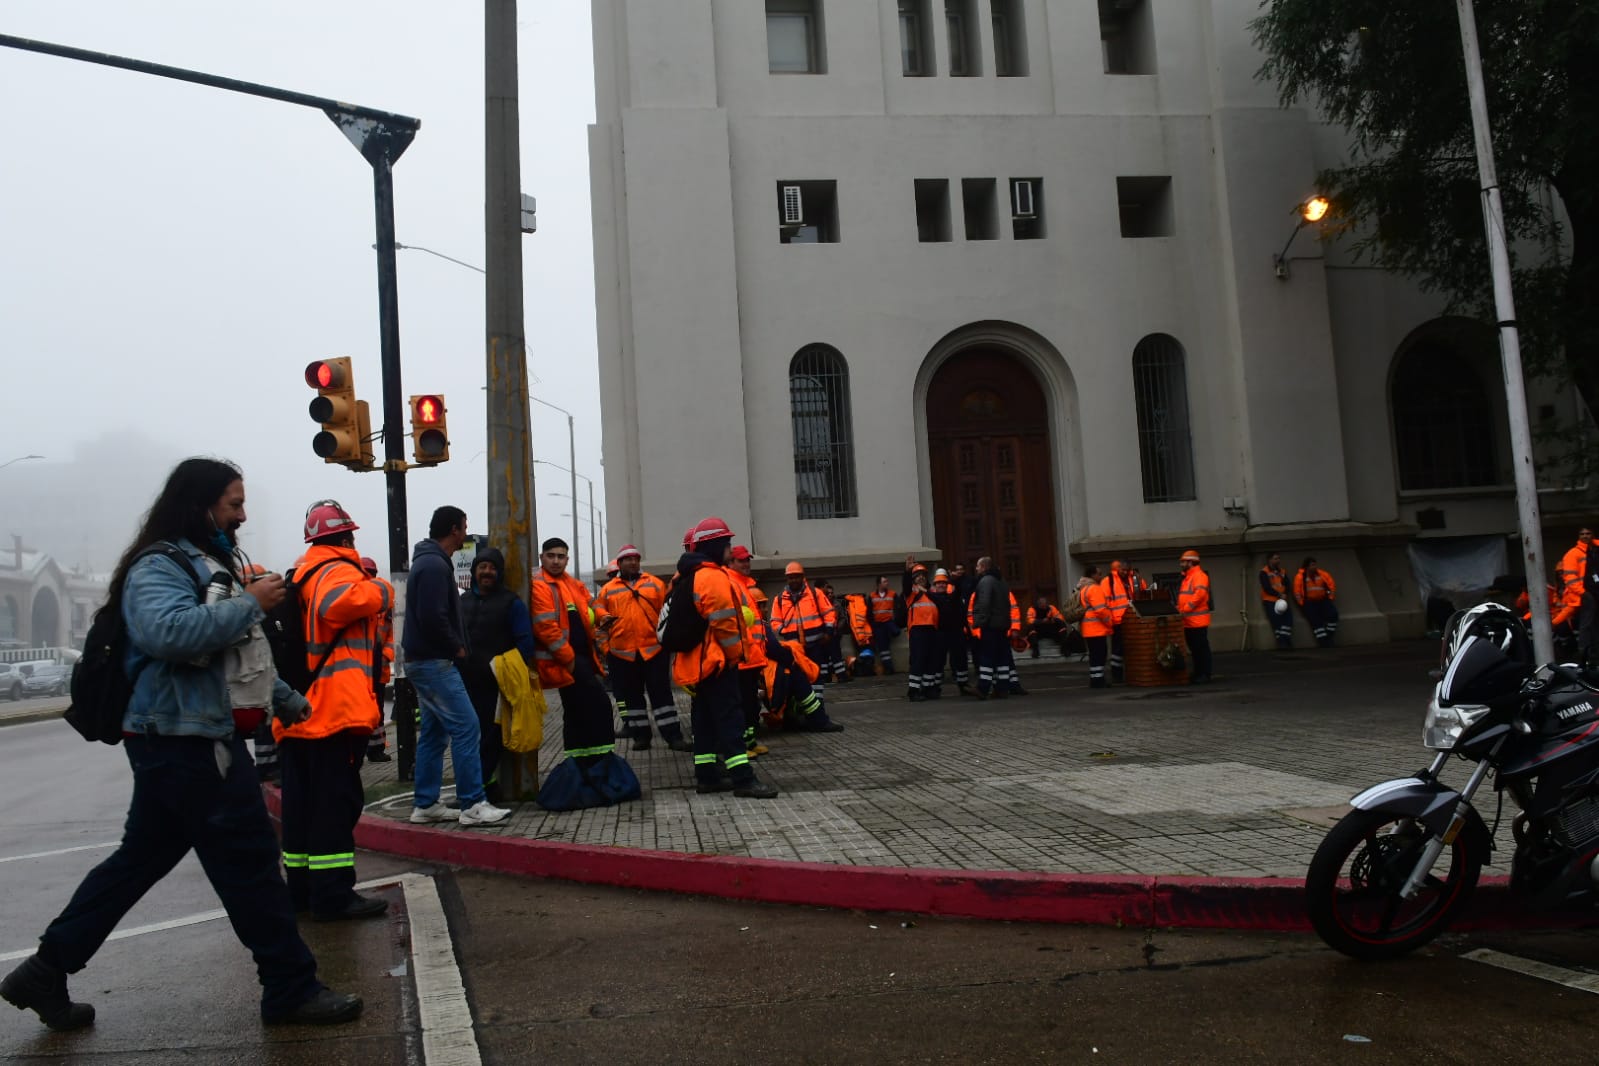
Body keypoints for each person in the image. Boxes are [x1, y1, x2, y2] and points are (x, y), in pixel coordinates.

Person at [0, 459, 362, 1030]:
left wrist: (288, 698)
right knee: (249, 863)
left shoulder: (208, 564)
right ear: (200, 506)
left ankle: (45, 971)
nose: (242, 516)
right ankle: (290, 987)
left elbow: (236, 657)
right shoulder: (159, 565)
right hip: (186, 743)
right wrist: (250, 602)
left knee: (136, 863)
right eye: (233, 504)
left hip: (188, 739)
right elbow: (166, 633)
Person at [277, 500, 390, 922]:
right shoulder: (338, 568)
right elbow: (338, 605)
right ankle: (333, 893)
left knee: (302, 808)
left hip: (301, 714)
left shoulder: (302, 573)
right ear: (345, 537)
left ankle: (302, 889)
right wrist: (383, 590)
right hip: (333, 714)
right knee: (334, 805)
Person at [403, 506, 511, 827]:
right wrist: (457, 646)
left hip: (423, 660)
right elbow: (433, 616)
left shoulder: (428, 562)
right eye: (464, 527)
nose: (466, 533)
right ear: (454, 530)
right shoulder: (435, 566)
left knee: (435, 733)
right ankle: (473, 803)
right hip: (435, 662)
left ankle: (426, 804)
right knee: (468, 727)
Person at [675, 518, 780, 798]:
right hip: (717, 663)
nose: (731, 551)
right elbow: (724, 625)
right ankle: (744, 780)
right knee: (731, 721)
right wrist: (735, 657)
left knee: (705, 722)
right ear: (716, 546)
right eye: (728, 544)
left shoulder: (687, 576)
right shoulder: (712, 577)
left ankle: (707, 776)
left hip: (699, 664)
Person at [530, 537, 633, 786]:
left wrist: (602, 616)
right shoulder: (539, 586)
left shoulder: (571, 583)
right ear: (542, 558)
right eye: (551, 556)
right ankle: (586, 766)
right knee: (590, 708)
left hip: (583, 658)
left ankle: (591, 762)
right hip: (567, 662)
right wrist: (571, 661)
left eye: (561, 556)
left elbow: (591, 602)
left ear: (567, 559)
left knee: (586, 711)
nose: (556, 561)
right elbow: (546, 629)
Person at [456, 546, 536, 801]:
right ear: (474, 571)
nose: (487, 572)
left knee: (492, 739)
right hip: (463, 683)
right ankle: (481, 788)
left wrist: (503, 669)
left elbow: (525, 643)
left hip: (497, 684)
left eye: (492, 568)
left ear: (499, 572)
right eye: (482, 567)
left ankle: (481, 789)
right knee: (468, 738)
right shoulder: (461, 602)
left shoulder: (511, 603)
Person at [597, 544, 690, 751]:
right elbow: (599, 623)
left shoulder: (655, 584)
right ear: (619, 563)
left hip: (653, 650)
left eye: (635, 559)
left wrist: (667, 642)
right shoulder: (607, 591)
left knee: (662, 695)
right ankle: (641, 737)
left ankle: (673, 736)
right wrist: (606, 649)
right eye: (628, 559)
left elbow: (667, 614)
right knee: (632, 697)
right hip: (623, 654)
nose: (632, 562)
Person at [769, 562, 838, 697]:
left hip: (815, 645)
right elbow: (775, 621)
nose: (794, 580)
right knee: (799, 678)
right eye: (791, 577)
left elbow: (829, 613)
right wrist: (783, 631)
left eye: (796, 576)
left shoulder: (815, 593)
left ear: (803, 577)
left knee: (816, 675)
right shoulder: (780, 599)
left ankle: (818, 705)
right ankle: (805, 708)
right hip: (794, 649)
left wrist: (829, 632)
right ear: (787, 579)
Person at [728, 545, 771, 756]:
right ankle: (742, 745)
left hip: (751, 657)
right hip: (741, 658)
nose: (746, 564)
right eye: (741, 560)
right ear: (731, 563)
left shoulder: (745, 585)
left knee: (751, 704)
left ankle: (751, 742)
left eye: (747, 560)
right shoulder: (733, 583)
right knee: (742, 705)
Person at [359, 556, 395, 763]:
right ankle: (366, 748)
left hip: (378, 666)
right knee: (363, 708)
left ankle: (376, 748)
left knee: (377, 709)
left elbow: (392, 634)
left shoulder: (384, 604)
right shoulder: (359, 601)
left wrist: (385, 655)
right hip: (361, 667)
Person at [970, 556, 1013, 700]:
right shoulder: (1002, 581)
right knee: (1002, 658)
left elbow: (984, 602)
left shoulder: (985, 581)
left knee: (987, 657)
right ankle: (1003, 689)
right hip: (1002, 625)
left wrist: (980, 621)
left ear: (983, 567)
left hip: (990, 625)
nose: (976, 569)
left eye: (977, 566)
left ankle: (983, 688)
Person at [902, 561, 942, 700]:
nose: (921, 578)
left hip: (932, 628)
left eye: (923, 575)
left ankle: (928, 688)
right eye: (917, 575)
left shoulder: (932, 591)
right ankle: (913, 691)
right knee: (918, 660)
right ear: (913, 578)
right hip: (918, 629)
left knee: (931, 660)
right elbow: (906, 585)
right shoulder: (911, 591)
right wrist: (907, 571)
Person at [1100, 559, 1143, 681]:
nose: (1124, 572)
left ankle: (1132, 674)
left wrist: (1138, 579)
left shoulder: (1133, 579)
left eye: (1126, 570)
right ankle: (1117, 675)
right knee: (1117, 650)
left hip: (1132, 618)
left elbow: (1141, 591)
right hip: (1117, 621)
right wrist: (1110, 619)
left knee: (1131, 647)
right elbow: (1105, 602)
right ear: (1117, 569)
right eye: (1122, 570)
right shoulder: (1108, 581)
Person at [931, 567, 971, 694]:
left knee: (960, 660)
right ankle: (935, 688)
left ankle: (963, 686)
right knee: (938, 661)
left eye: (943, 582)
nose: (941, 585)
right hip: (940, 634)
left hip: (956, 633)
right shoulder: (932, 598)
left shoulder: (953, 597)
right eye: (939, 583)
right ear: (935, 585)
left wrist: (955, 578)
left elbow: (959, 590)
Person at [1177, 549, 1213, 683]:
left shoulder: (1199, 576)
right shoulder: (1189, 577)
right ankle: (1199, 673)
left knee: (1200, 649)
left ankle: (1204, 674)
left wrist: (1185, 609)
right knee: (1195, 649)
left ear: (1191, 562)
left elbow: (1200, 595)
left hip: (1197, 621)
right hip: (1190, 620)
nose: (1181, 564)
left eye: (1184, 562)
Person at [1294, 556, 1338, 648]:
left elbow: (1331, 585)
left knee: (1333, 615)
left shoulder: (1323, 574)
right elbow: (1297, 592)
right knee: (1316, 622)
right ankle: (1324, 642)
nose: (1314, 567)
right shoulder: (1300, 577)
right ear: (1307, 567)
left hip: (1323, 600)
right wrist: (1302, 604)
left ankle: (1329, 635)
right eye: (1312, 565)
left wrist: (1330, 597)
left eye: (1315, 564)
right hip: (1309, 603)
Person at [1078, 575, 1113, 688]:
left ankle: (1095, 679)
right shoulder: (1094, 589)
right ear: (1093, 575)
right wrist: (1109, 622)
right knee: (1100, 654)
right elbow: (1101, 610)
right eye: (1099, 573)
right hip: (1097, 628)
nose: (1100, 575)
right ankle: (1098, 680)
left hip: (1088, 628)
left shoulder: (1083, 589)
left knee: (1094, 655)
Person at [812, 578, 849, 683]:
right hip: (824, 633)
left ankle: (839, 675)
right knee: (824, 657)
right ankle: (826, 676)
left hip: (833, 633)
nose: (829, 593)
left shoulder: (835, 604)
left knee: (835, 655)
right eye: (826, 589)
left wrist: (837, 628)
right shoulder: (819, 600)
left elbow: (841, 618)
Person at [1259, 552, 1294, 651]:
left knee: (1288, 620)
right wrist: (1279, 594)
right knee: (1276, 622)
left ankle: (1284, 640)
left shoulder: (1282, 571)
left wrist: (1285, 594)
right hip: (1270, 600)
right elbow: (1266, 587)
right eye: (1275, 558)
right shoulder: (1264, 572)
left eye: (1278, 558)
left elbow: (1287, 584)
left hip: (1282, 600)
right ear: (1269, 560)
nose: (1278, 560)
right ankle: (1283, 642)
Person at [869, 575, 901, 674]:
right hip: (878, 625)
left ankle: (889, 668)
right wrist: (873, 625)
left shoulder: (893, 594)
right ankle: (889, 668)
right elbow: (869, 613)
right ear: (879, 584)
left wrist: (895, 622)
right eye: (884, 581)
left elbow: (898, 609)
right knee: (883, 648)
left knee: (895, 633)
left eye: (887, 581)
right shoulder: (872, 596)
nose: (887, 583)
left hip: (889, 622)